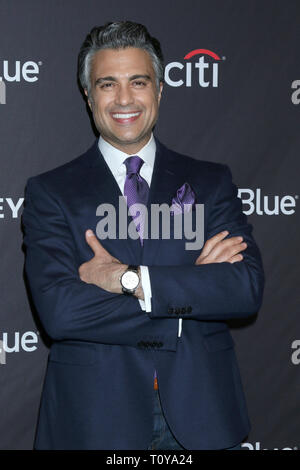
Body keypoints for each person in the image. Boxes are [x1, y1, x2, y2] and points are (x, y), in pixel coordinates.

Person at [22, 21, 264, 450]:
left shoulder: (210, 182)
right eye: (107, 84)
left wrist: (128, 279)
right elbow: (60, 311)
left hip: (203, 415)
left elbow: (243, 288)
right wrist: (191, 292)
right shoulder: (51, 192)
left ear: (159, 89)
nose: (124, 100)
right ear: (88, 95)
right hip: (95, 418)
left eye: (138, 81)